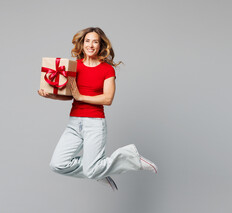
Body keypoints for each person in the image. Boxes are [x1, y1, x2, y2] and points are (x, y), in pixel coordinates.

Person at [37, 27, 157, 190]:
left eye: (95, 42)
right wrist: (50, 95)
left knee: (91, 169)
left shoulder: (107, 69)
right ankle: (97, 170)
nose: (90, 45)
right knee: (57, 164)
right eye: (87, 41)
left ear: (101, 45)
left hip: (94, 124)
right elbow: (71, 95)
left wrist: (81, 97)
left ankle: (131, 159)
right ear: (82, 44)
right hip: (74, 124)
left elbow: (107, 99)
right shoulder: (74, 66)